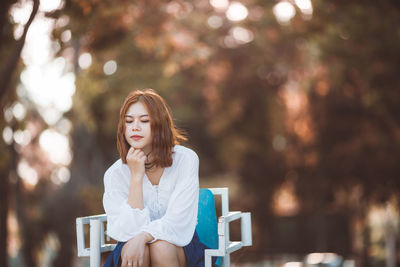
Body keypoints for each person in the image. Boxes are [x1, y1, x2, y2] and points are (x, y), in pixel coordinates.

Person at [103, 89, 211, 267]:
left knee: (161, 248)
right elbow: (126, 231)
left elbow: (178, 221)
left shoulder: (186, 159)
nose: (135, 127)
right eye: (129, 121)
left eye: (144, 121)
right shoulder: (115, 174)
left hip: (179, 243)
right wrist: (136, 178)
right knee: (140, 250)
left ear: (160, 124)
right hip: (132, 247)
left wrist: (144, 236)